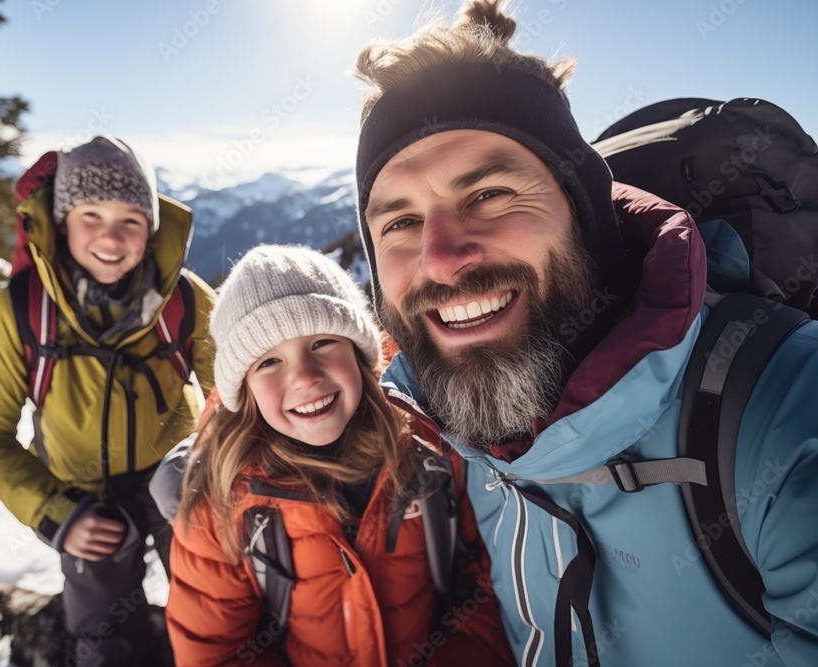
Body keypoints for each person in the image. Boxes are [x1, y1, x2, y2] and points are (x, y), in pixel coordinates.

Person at [351, 2, 818, 666]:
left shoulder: (784, 419)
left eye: (488, 194)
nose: (441, 257)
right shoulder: (451, 429)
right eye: (398, 222)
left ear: (585, 213)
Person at [165, 244, 513, 667]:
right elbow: (216, 652)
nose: (305, 377)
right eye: (269, 361)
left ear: (360, 353)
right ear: (246, 391)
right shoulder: (221, 505)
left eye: (323, 342)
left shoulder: (432, 445)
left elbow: (494, 579)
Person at [0, 136, 216, 666]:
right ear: (62, 220)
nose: (111, 238)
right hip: (80, 494)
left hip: (179, 480)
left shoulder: (185, 299)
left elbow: (239, 395)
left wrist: (217, 471)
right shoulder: (21, 313)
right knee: (102, 634)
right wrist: (56, 512)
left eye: (130, 221)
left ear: (152, 226)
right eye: (90, 215)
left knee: (216, 609)